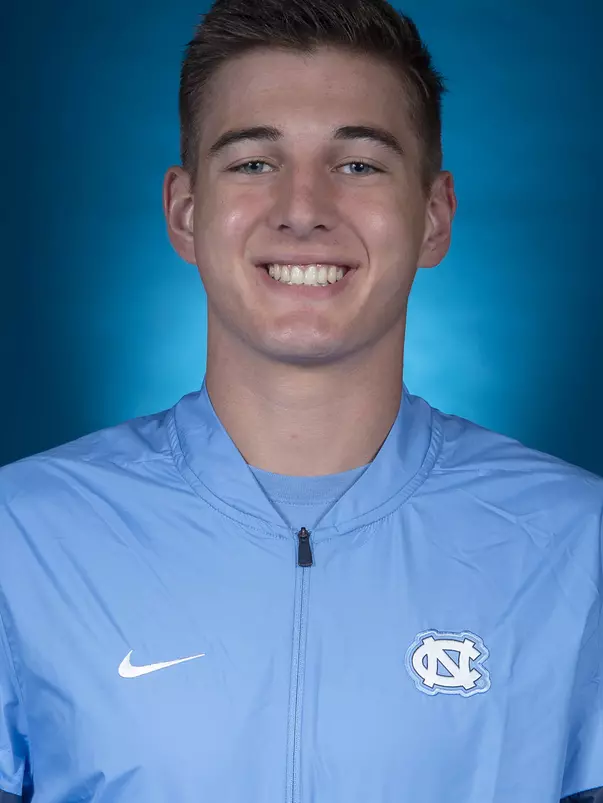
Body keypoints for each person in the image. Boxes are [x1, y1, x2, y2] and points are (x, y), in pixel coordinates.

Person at [0, 0, 601, 800]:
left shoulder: (577, 542)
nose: (303, 208)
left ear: (432, 216)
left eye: (358, 164)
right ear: (185, 211)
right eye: (253, 163)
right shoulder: (22, 536)